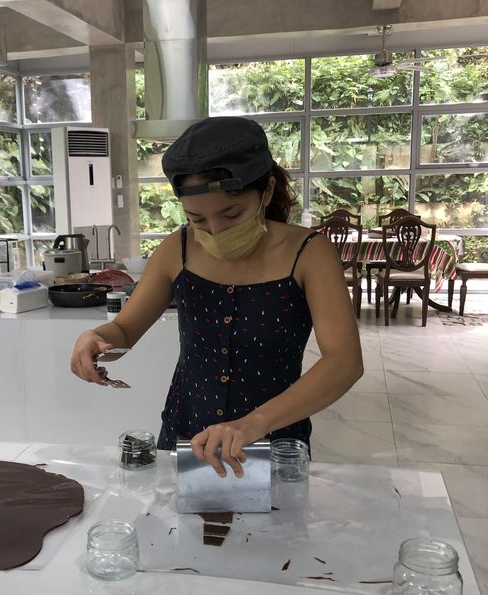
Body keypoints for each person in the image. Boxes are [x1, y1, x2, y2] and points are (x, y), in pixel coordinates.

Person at [70, 117, 363, 477]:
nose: (215, 231)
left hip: (274, 436)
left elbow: (345, 361)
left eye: (232, 214)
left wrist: (253, 424)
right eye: (197, 219)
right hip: (187, 431)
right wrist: (97, 340)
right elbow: (125, 330)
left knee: (276, 532)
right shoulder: (176, 249)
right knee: (180, 531)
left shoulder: (308, 253)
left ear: (267, 191)